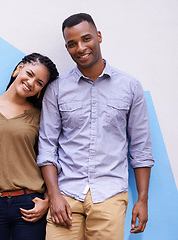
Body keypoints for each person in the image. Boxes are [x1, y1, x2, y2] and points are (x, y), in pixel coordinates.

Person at [37, 13, 154, 240]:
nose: (80, 48)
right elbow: (47, 146)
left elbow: (141, 148)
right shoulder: (56, 89)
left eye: (86, 39)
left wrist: (142, 199)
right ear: (67, 47)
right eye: (72, 44)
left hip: (110, 195)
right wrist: (54, 195)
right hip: (66, 195)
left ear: (98, 37)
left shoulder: (130, 87)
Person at [0, 53, 59, 240]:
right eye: (29, 74)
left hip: (29, 204)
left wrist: (47, 200)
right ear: (18, 68)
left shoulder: (40, 116)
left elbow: (49, 159)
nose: (31, 83)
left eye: (39, 83)